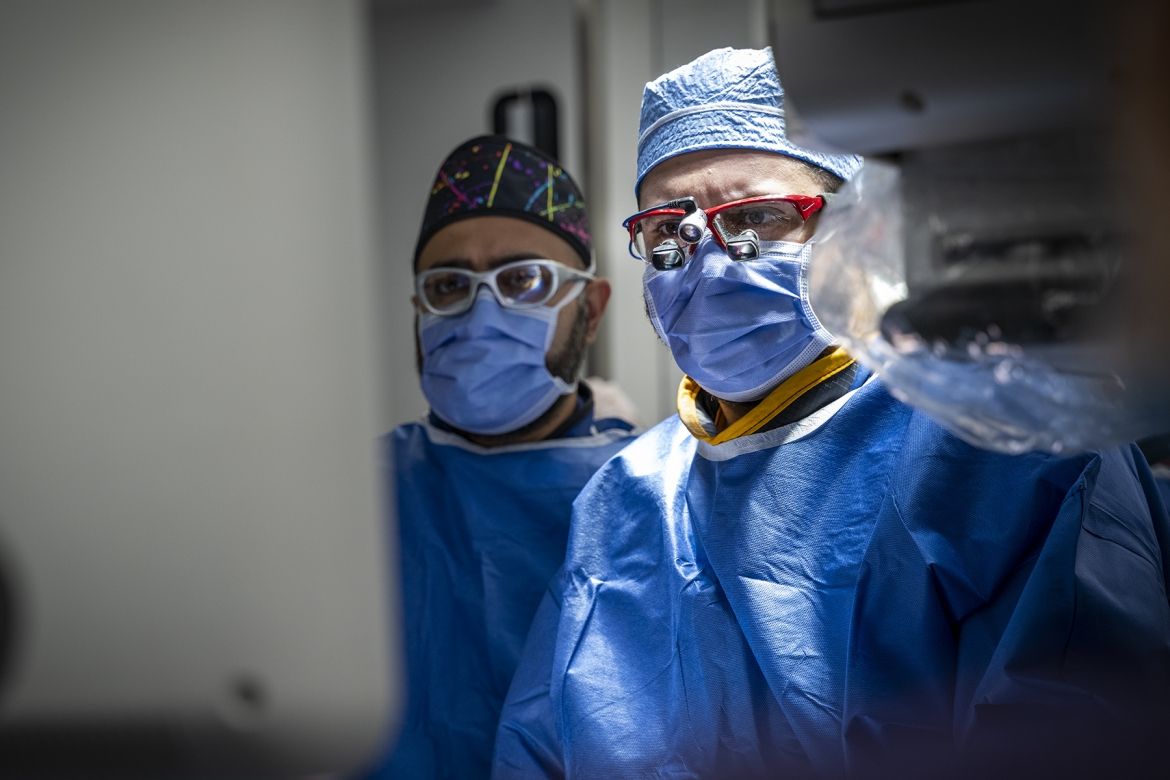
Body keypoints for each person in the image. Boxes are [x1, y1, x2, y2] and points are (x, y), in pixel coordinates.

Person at [493, 48, 1170, 778]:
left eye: (756, 216)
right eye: (669, 230)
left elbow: (1082, 732)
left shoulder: (1007, 449)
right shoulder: (624, 500)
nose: (708, 261)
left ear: (858, 231)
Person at [361, 135, 637, 779]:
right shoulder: (350, 492)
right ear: (417, 312)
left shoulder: (654, 499)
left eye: (523, 280)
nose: (482, 313)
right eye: (449, 286)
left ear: (590, 311)